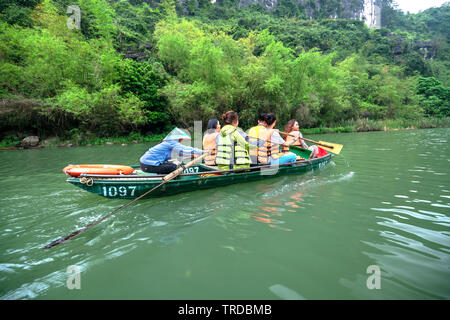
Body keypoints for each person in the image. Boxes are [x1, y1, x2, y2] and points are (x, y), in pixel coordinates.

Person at [139, 127, 204, 174]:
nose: (182, 140)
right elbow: (185, 148)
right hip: (148, 165)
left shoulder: (169, 142)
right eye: (182, 139)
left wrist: (192, 155)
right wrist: (203, 151)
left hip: (144, 164)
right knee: (173, 167)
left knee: (170, 165)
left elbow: (181, 152)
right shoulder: (171, 142)